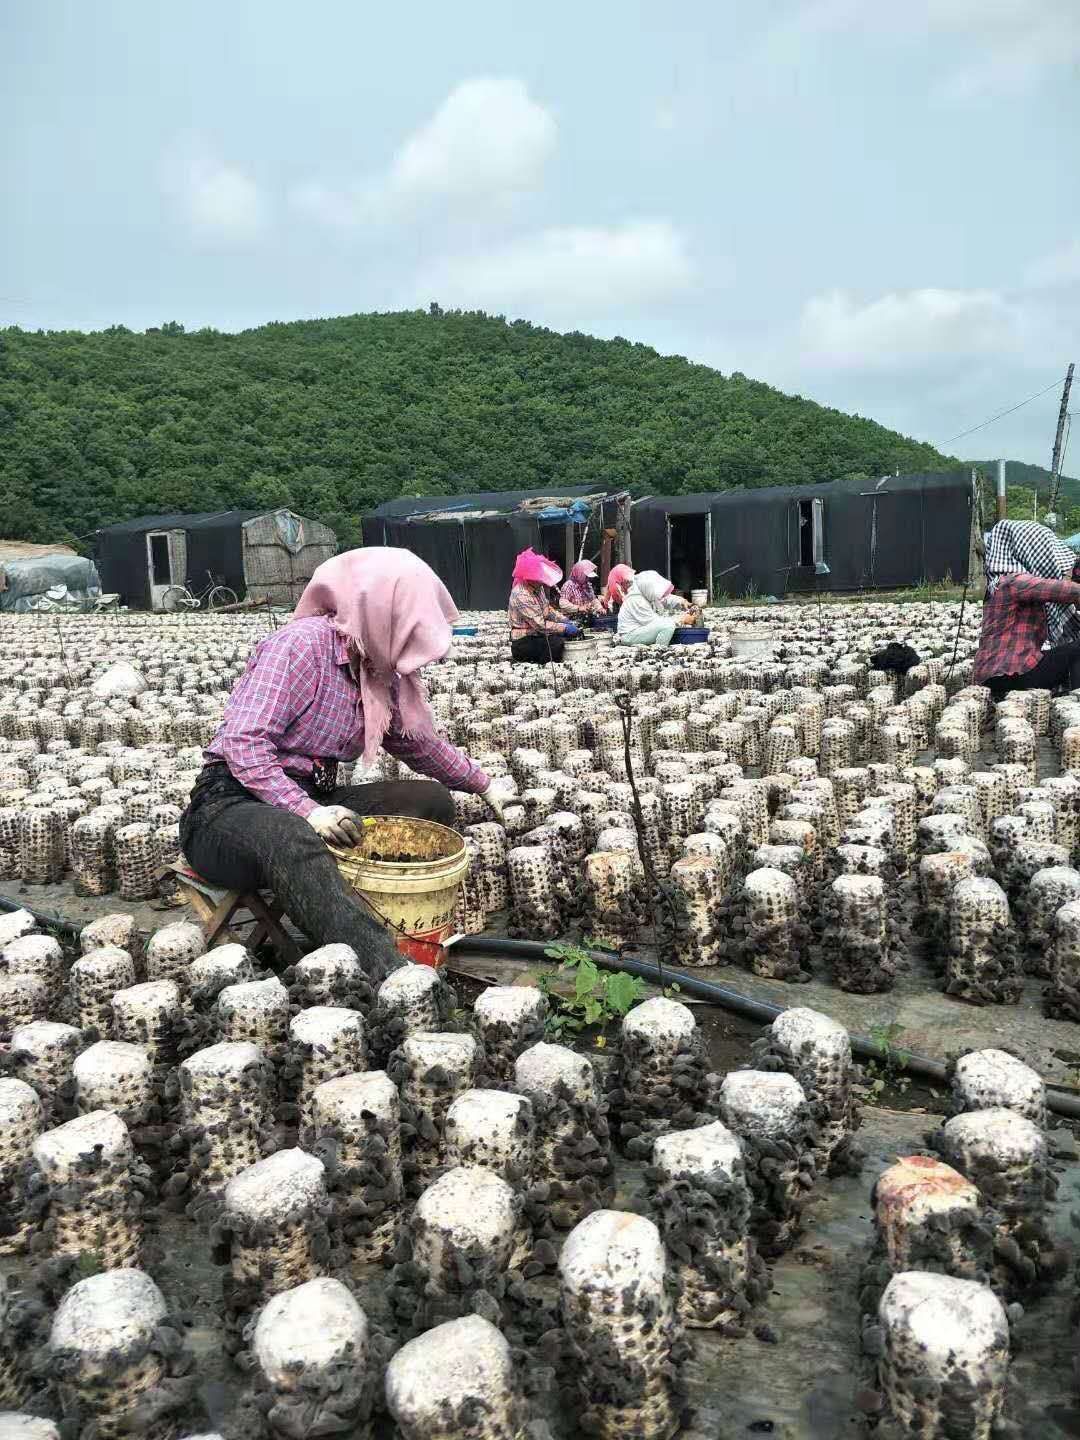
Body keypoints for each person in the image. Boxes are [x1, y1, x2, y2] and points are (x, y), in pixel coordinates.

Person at [179, 548, 505, 981]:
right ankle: (388, 971)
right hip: (228, 808)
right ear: (381, 611)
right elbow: (243, 743)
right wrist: (308, 811)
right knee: (292, 836)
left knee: (428, 801)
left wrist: (482, 783)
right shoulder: (299, 647)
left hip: (313, 796)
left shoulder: (375, 667)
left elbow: (416, 744)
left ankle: (379, 916)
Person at [974, 520, 1080, 699]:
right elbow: (1069, 591)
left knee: (1068, 652)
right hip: (1011, 674)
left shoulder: (999, 584)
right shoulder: (1014, 582)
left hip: (1002, 675)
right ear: (1032, 552)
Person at [508, 548, 578, 663]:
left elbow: (548, 609)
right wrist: (563, 627)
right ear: (531, 578)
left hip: (536, 635)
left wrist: (564, 619)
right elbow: (539, 625)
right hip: (523, 640)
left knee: (561, 640)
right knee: (556, 643)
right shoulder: (521, 594)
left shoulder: (538, 588)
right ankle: (543, 669)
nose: (543, 582)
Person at [616, 570, 692, 646]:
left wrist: (682, 601)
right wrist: (681, 619)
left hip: (639, 630)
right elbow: (655, 622)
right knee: (668, 625)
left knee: (667, 622)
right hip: (629, 636)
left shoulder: (646, 593)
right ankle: (659, 649)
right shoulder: (637, 600)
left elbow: (664, 599)